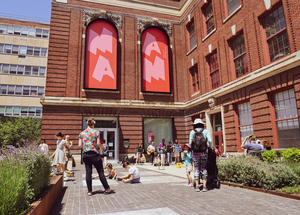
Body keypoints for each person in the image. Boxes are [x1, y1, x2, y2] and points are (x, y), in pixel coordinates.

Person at [79, 119, 113, 196]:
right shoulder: (96, 132)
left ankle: (90, 191)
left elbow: (80, 145)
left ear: (87, 124)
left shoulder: (81, 133)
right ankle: (107, 189)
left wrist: (86, 147)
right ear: (93, 124)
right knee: (100, 172)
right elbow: (98, 143)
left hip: (85, 154)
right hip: (94, 154)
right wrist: (103, 148)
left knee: (88, 172)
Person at [189, 118, 213, 192]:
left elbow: (190, 144)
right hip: (204, 153)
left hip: (195, 153)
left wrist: (191, 152)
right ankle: (204, 187)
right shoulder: (205, 131)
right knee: (204, 168)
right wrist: (210, 147)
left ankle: (197, 186)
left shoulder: (192, 132)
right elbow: (210, 140)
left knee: (196, 169)